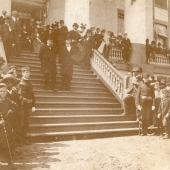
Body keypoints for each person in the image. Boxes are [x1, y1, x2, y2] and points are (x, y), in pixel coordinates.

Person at [1, 74, 23, 146]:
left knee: (15, 128)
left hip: (15, 114)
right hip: (5, 116)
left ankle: (16, 142)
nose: (10, 84)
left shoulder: (15, 93)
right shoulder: (3, 93)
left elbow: (17, 104)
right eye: (8, 83)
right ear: (5, 84)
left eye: (11, 82)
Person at [0, 83, 16, 167]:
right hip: (0, 126)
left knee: (7, 141)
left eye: (4, 91)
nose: (2, 93)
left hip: (7, 124)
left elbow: (14, 105)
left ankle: (8, 160)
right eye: (1, 91)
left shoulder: (7, 100)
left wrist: (11, 110)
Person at [18, 67, 35, 144]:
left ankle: (24, 139)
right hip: (22, 106)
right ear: (22, 73)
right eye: (25, 72)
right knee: (21, 123)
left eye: (28, 72)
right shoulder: (20, 83)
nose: (27, 74)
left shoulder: (30, 83)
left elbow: (32, 95)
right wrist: (26, 100)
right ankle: (20, 140)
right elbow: (19, 95)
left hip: (28, 106)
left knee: (26, 123)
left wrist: (33, 105)